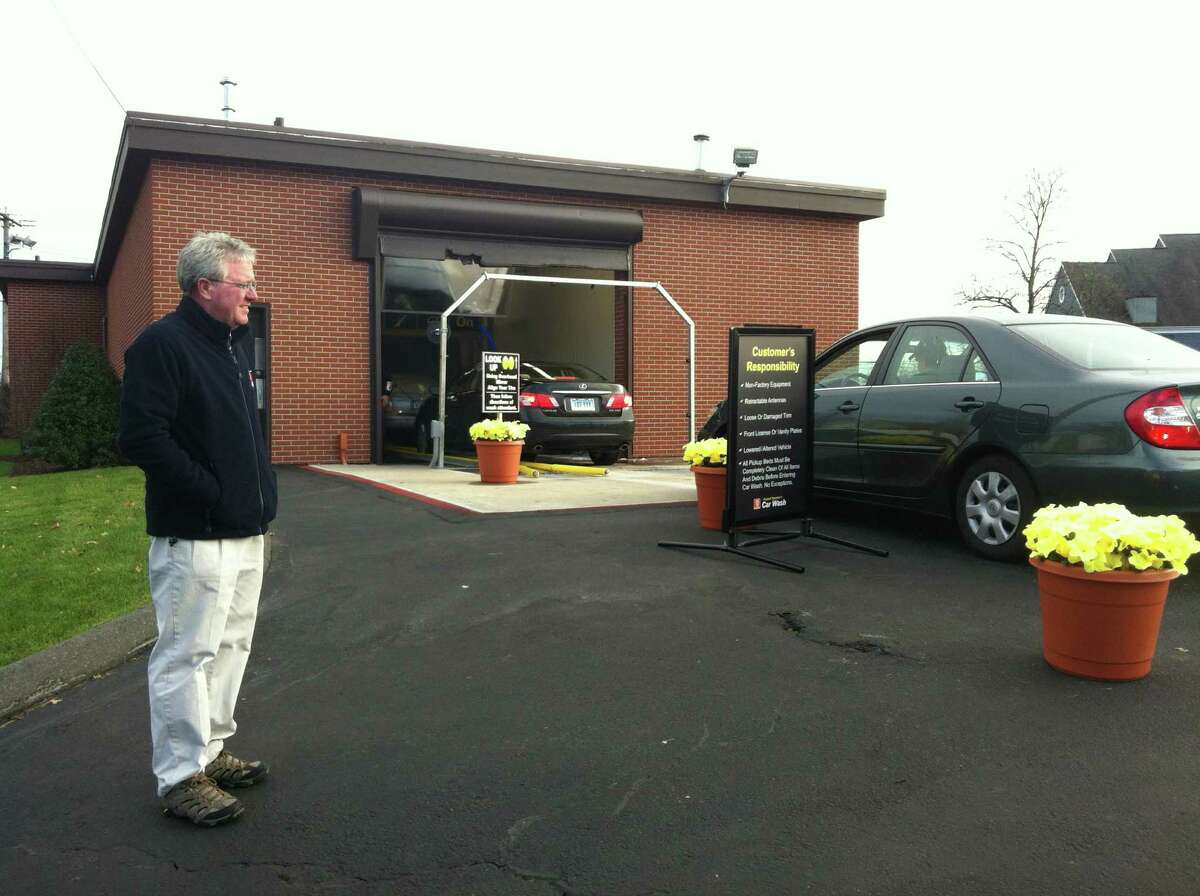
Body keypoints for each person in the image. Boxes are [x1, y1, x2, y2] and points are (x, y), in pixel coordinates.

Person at [118, 231, 278, 827]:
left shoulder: (230, 346)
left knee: (232, 644)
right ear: (205, 286)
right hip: (197, 534)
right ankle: (181, 776)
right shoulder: (163, 345)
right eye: (244, 284)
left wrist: (251, 502)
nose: (252, 295)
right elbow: (142, 437)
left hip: (242, 532)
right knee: (186, 654)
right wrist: (211, 494)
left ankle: (210, 750)